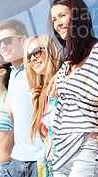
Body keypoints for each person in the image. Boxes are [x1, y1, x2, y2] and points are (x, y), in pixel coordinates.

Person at [49, 0, 98, 177]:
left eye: (62, 16)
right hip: (61, 150)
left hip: (88, 143)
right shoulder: (67, 64)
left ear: (78, 16)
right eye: (54, 19)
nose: (57, 23)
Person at [0, 19, 44, 177]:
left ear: (24, 40)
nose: (2, 46)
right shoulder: (12, 75)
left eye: (7, 40)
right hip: (17, 160)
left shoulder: (37, 69)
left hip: (40, 160)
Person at [24, 34, 64, 176]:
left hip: (70, 163)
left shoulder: (65, 80)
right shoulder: (43, 95)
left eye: (37, 52)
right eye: (29, 56)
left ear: (51, 51)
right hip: (51, 167)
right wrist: (34, 105)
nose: (33, 59)